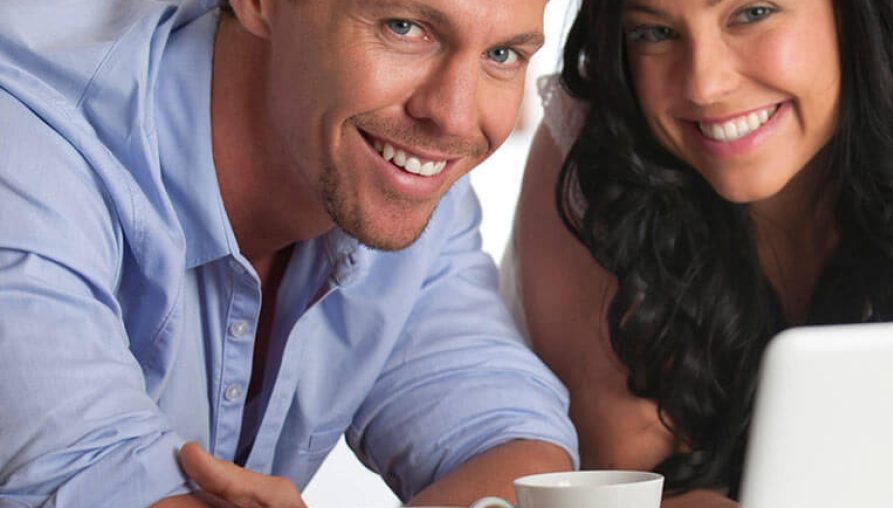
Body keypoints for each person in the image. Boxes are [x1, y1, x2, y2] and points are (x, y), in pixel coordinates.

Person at [0, 0, 578, 506]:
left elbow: (524, 456)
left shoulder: (394, 173)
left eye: (502, 55)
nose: (453, 116)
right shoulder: (27, 144)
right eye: (404, 27)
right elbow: (84, 479)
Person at [502, 0, 893, 505]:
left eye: (752, 12)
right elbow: (645, 490)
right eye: (654, 32)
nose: (705, 85)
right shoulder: (591, 154)